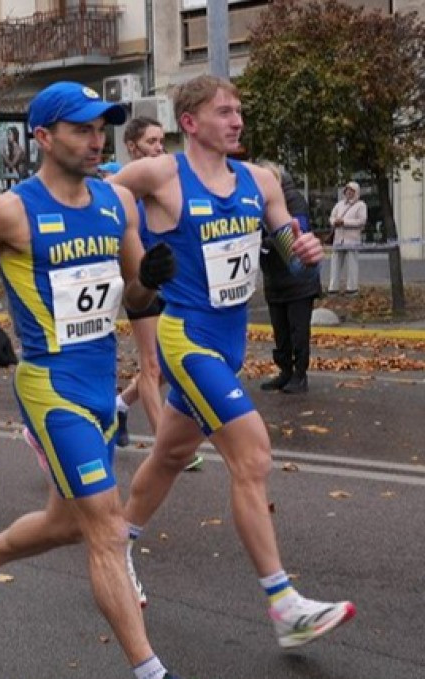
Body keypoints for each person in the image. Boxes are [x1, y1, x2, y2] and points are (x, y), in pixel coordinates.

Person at [0, 81, 182, 679]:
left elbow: (137, 290)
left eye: (102, 129)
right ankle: (150, 672)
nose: (97, 141)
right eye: (82, 129)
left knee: (66, 522)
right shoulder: (9, 209)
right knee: (108, 526)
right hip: (50, 387)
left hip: (99, 386)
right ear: (42, 136)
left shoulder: (115, 203)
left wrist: (153, 276)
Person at [113, 75, 355, 648]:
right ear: (190, 123)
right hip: (187, 337)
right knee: (252, 454)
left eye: (240, 110)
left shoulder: (259, 180)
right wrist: (133, 256)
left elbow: (288, 250)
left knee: (170, 454)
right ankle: (284, 604)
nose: (237, 120)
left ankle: (114, 542)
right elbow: (97, 199)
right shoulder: (162, 175)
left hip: (231, 340)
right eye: (224, 111)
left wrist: (305, 250)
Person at [112, 117, 204, 472]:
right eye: (151, 141)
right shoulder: (121, 185)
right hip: (139, 280)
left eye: (161, 140)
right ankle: (164, 446)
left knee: (166, 365)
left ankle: (120, 404)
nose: (159, 146)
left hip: (171, 279)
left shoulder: (165, 180)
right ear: (133, 147)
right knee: (151, 365)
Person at [259, 162, 321, 394]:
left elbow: (297, 236)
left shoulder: (293, 201)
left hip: (298, 282)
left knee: (298, 331)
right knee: (280, 332)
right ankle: (285, 371)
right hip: (274, 280)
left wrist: (264, 242)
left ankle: (300, 375)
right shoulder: (258, 203)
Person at [327, 181, 366, 295]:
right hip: (338, 239)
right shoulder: (339, 204)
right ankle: (333, 287)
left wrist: (344, 222)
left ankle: (352, 288)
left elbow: (361, 221)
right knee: (335, 263)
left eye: (351, 191)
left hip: (352, 239)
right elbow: (332, 217)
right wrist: (335, 222)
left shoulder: (361, 205)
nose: (349, 193)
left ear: (356, 192)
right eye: (347, 190)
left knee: (352, 264)